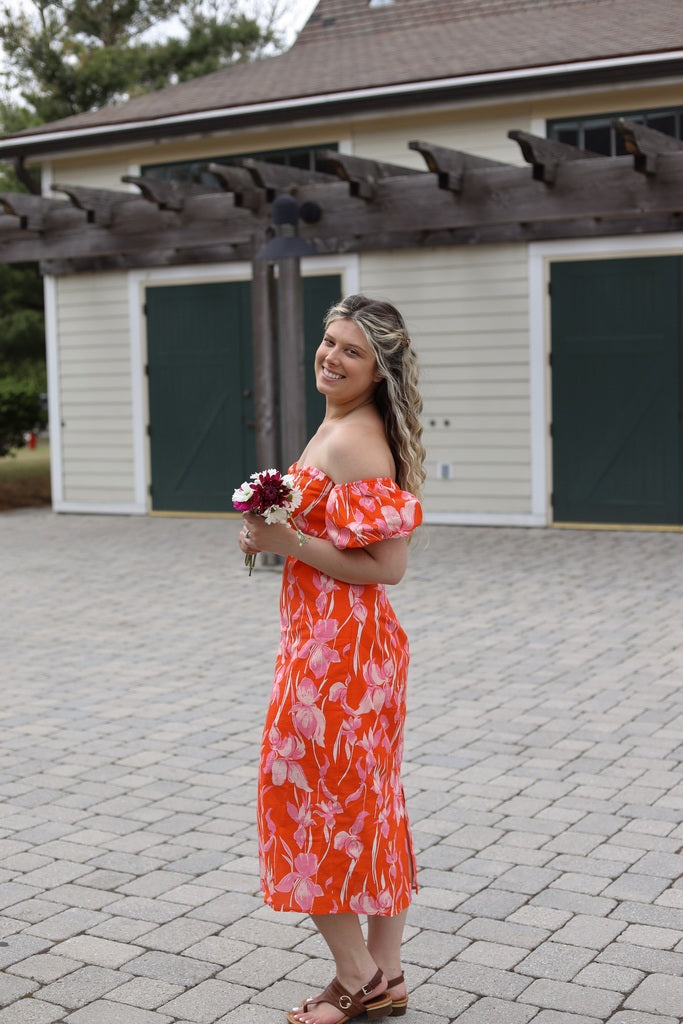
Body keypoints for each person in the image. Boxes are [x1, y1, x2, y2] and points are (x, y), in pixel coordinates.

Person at [238, 294, 426, 1024]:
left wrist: (288, 544)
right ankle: (388, 975)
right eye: (327, 341)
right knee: (366, 802)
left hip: (340, 653)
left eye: (351, 350)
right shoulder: (339, 426)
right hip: (336, 643)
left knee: (297, 795)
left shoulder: (355, 441)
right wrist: (269, 534)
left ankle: (355, 979)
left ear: (378, 369)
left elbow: (386, 565)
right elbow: (331, 540)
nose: (331, 356)